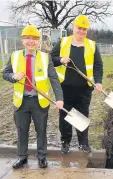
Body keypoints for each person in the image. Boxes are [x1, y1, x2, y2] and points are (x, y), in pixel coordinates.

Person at [3, 25, 64, 169]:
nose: (31, 41)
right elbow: (5, 73)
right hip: (21, 102)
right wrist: (13, 76)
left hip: (40, 102)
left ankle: (42, 157)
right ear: (22, 40)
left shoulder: (45, 57)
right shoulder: (14, 56)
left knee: (41, 131)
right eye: (27, 38)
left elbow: (54, 79)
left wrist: (59, 98)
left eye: (34, 39)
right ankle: (22, 158)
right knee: (22, 130)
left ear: (38, 42)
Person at [51, 15, 103, 154]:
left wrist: (98, 82)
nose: (82, 31)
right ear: (73, 28)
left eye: (84, 29)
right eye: (79, 28)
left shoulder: (91, 45)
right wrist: (61, 59)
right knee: (65, 116)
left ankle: (83, 143)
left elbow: (98, 65)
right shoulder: (63, 42)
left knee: (82, 115)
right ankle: (65, 142)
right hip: (65, 88)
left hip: (84, 89)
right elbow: (51, 60)